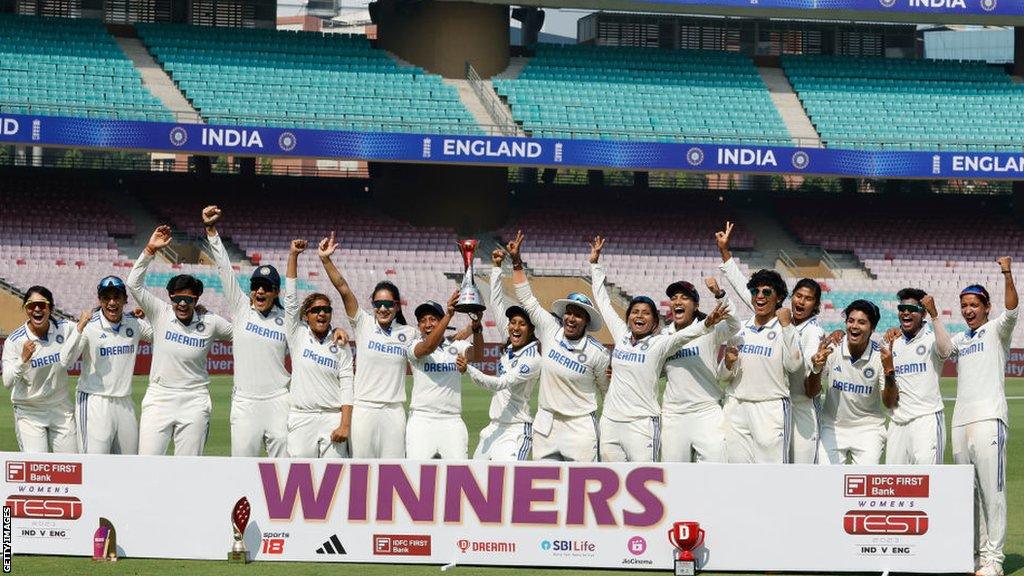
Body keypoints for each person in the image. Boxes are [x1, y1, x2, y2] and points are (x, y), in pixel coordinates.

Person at [588, 236, 731, 462]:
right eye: (635, 312)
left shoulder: (661, 341)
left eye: (646, 313)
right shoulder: (623, 334)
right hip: (623, 419)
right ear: (628, 317)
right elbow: (603, 302)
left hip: (658, 420)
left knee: (653, 477)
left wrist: (707, 322)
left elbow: (687, 335)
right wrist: (595, 265)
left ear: (655, 321)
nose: (639, 316)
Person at [716, 221, 824, 463]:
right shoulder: (749, 324)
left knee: (783, 474)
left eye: (767, 293)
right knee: (737, 473)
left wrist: (787, 329)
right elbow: (748, 292)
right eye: (799, 296)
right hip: (742, 405)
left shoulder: (796, 328)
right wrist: (725, 253)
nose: (760, 297)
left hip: (785, 405)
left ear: (779, 299)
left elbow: (797, 367)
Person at [128, 225, 233, 456]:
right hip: (159, 398)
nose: (182, 304)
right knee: (147, 463)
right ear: (171, 298)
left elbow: (242, 333)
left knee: (188, 469)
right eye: (177, 298)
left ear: (196, 299)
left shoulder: (210, 321)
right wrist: (149, 250)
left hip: (194, 401)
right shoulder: (160, 313)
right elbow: (133, 284)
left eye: (188, 298)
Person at [507, 231, 610, 462]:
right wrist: (515, 262)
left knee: (582, 489)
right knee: (543, 487)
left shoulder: (598, 352)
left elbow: (607, 393)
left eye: (578, 316)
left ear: (586, 321)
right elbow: (527, 299)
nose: (571, 319)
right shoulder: (549, 329)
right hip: (546, 423)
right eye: (569, 313)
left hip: (580, 427)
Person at [317, 232, 418, 459]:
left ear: (397, 306)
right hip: (363, 409)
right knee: (362, 471)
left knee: (393, 472)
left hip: (394, 412)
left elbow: (433, 342)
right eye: (378, 303)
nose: (383, 308)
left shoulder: (409, 333)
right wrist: (325, 259)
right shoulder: (363, 323)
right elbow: (343, 288)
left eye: (388, 304)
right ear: (372, 304)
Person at [203, 205, 291, 458]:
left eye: (266, 287)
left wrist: (336, 331)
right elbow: (224, 269)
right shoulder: (241, 309)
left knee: (281, 472)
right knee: (242, 469)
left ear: (276, 292)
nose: (260, 292)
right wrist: (211, 231)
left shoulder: (287, 321)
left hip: (279, 401)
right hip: (245, 402)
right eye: (256, 286)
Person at [949, 257, 1017, 576]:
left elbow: (1013, 310)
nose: (968, 310)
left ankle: (995, 559)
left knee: (993, 492)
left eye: (974, 304)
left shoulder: (996, 330)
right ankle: (975, 555)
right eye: (964, 305)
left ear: (986, 307)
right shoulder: (961, 340)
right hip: (961, 421)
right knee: (968, 494)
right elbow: (936, 347)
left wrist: (1006, 273)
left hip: (989, 418)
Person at [456, 247, 540, 461]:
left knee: (510, 487)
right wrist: (495, 268)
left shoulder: (532, 360)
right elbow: (496, 302)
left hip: (515, 431)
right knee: (474, 479)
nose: (515, 327)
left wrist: (469, 369)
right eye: (513, 322)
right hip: (492, 429)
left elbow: (501, 383)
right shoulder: (510, 343)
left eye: (522, 324)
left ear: (531, 330)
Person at [60, 276, 152, 454]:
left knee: (130, 464)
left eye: (117, 297)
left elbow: (162, 334)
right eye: (106, 297)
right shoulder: (89, 326)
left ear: (125, 299)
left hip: (125, 402)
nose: (112, 302)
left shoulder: (134, 324)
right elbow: (65, 361)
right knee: (94, 463)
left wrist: (194, 313)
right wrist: (79, 328)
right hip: (95, 401)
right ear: (99, 300)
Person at [659, 275, 743, 463]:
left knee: (716, 469)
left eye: (684, 297)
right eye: (674, 298)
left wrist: (719, 294)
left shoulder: (710, 328)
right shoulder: (664, 336)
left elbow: (734, 325)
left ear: (696, 306)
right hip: (674, 415)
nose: (677, 301)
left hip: (706, 412)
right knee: (674, 475)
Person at [283, 239, 354, 458]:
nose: (321, 313)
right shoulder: (297, 334)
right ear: (306, 315)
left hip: (332, 418)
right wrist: (294, 255)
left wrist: (345, 425)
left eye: (326, 309)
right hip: (302, 417)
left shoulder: (340, 343)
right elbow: (291, 299)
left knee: (334, 482)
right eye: (315, 310)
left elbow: (347, 385)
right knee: (298, 481)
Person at [805, 300, 898, 465]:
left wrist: (889, 372)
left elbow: (889, 403)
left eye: (862, 322)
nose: (854, 326)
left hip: (868, 429)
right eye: (851, 321)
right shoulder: (832, 349)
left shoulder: (880, 356)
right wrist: (816, 369)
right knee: (824, 480)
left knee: (863, 484)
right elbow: (811, 392)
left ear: (873, 328)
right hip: (832, 427)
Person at [405, 294, 483, 459]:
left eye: (433, 319)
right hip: (422, 420)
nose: (427, 324)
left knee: (457, 476)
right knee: (417, 475)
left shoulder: (456, 346)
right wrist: (448, 315)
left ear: (441, 323)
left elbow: (478, 354)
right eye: (423, 320)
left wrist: (476, 328)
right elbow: (427, 348)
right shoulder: (414, 346)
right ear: (418, 325)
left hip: (452, 421)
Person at [1, 286, 78, 453]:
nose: (37, 309)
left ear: (50, 308)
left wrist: (130, 317)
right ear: (26, 309)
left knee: (70, 468)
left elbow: (88, 326)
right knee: (36, 469)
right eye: (31, 305)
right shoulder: (15, 341)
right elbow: (7, 382)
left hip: (61, 409)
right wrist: (23, 360)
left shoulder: (64, 328)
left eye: (42, 305)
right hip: (30, 413)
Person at [883, 289, 952, 465]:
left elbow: (946, 351)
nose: (906, 312)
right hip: (897, 422)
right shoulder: (891, 341)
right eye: (902, 308)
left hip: (926, 420)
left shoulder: (931, 338)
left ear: (922, 313)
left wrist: (935, 315)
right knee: (895, 485)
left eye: (911, 309)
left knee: (928, 483)